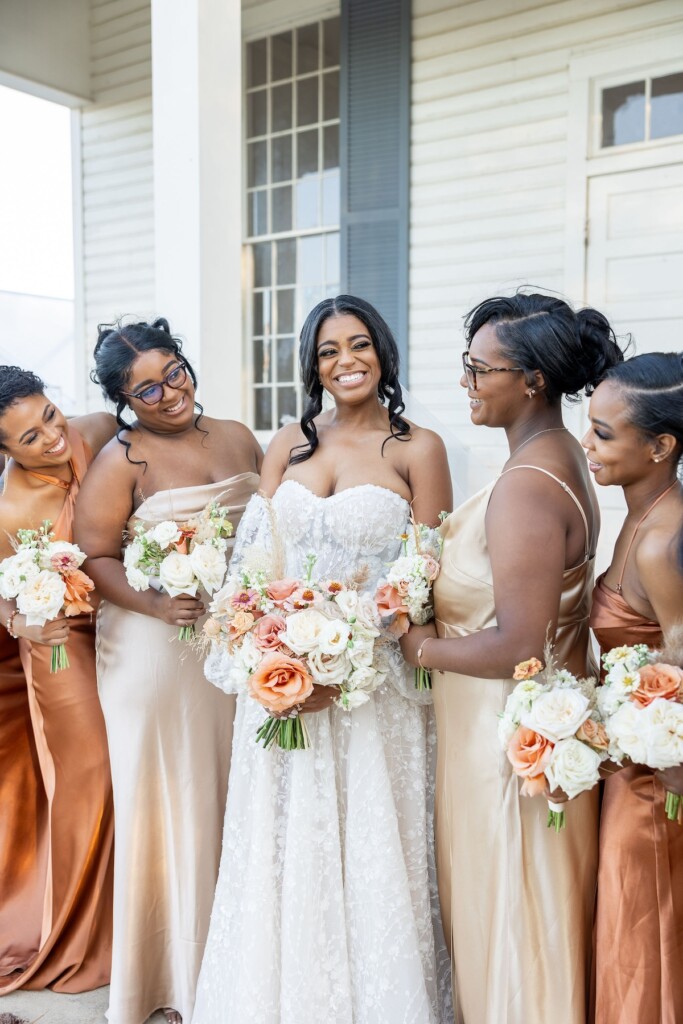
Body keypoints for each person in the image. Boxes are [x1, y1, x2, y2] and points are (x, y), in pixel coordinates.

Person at [192, 295, 454, 1024]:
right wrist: (273, 649)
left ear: (383, 353)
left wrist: (343, 654)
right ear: (312, 365)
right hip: (282, 682)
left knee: (370, 843)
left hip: (372, 690)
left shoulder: (418, 448)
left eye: (359, 344)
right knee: (285, 841)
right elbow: (253, 565)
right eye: (328, 351)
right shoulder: (290, 443)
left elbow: (424, 576)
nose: (346, 362)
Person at [400, 293, 625, 1024]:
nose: (465, 382)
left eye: (477, 368)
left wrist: (420, 645)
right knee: (522, 916)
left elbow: (517, 644)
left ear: (530, 380)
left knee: (510, 915)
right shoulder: (551, 457)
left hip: (504, 748)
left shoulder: (527, 486)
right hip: (515, 734)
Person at [74, 318, 262, 1024]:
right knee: (170, 801)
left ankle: (233, 961)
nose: (168, 393)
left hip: (231, 644)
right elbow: (95, 556)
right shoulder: (123, 461)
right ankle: (170, 979)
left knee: (229, 792)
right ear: (125, 400)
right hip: (156, 652)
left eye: (173, 372)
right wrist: (155, 603)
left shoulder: (240, 436)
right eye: (145, 388)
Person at [0, 367, 116, 993]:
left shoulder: (93, 431)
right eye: (27, 437)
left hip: (121, 620)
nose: (51, 436)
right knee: (92, 768)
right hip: (58, 643)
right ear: (3, 453)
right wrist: (20, 618)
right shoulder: (8, 509)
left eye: (48, 415)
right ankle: (76, 933)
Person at [584, 352, 683, 1024]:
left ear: (659, 446)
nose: (586, 445)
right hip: (626, 760)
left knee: (639, 936)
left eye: (603, 434)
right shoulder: (638, 512)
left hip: (655, 780)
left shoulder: (661, 539)